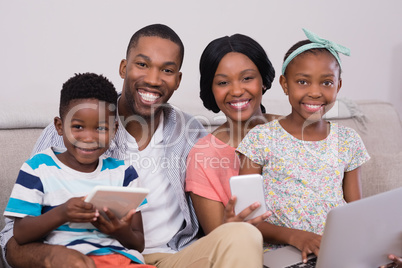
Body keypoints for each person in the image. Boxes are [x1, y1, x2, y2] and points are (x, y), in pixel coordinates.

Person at [0, 24, 264, 268]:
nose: (153, 79)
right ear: (124, 68)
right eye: (142, 64)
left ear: (178, 80)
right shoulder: (71, 129)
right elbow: (12, 236)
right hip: (95, 258)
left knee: (242, 235)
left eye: (167, 70)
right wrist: (50, 256)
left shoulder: (192, 132)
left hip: (175, 257)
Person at [236, 28, 370, 263]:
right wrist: (297, 237)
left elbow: (357, 213)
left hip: (334, 250)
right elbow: (247, 218)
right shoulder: (261, 139)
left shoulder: (349, 142)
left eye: (326, 82)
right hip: (280, 253)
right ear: (285, 85)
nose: (315, 92)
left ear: (338, 86)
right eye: (303, 82)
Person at [3, 72, 155, 268]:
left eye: (101, 129)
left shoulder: (124, 173)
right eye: (78, 127)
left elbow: (138, 243)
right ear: (59, 126)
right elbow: (21, 234)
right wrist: (62, 213)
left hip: (120, 261)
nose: (89, 137)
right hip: (68, 260)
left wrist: (118, 230)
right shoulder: (38, 168)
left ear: (115, 129)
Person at [185, 33, 277, 235]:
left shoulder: (293, 129)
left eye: (247, 78)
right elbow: (218, 241)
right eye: (223, 82)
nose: (236, 91)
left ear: (263, 80)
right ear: (211, 89)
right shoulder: (203, 156)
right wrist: (229, 228)